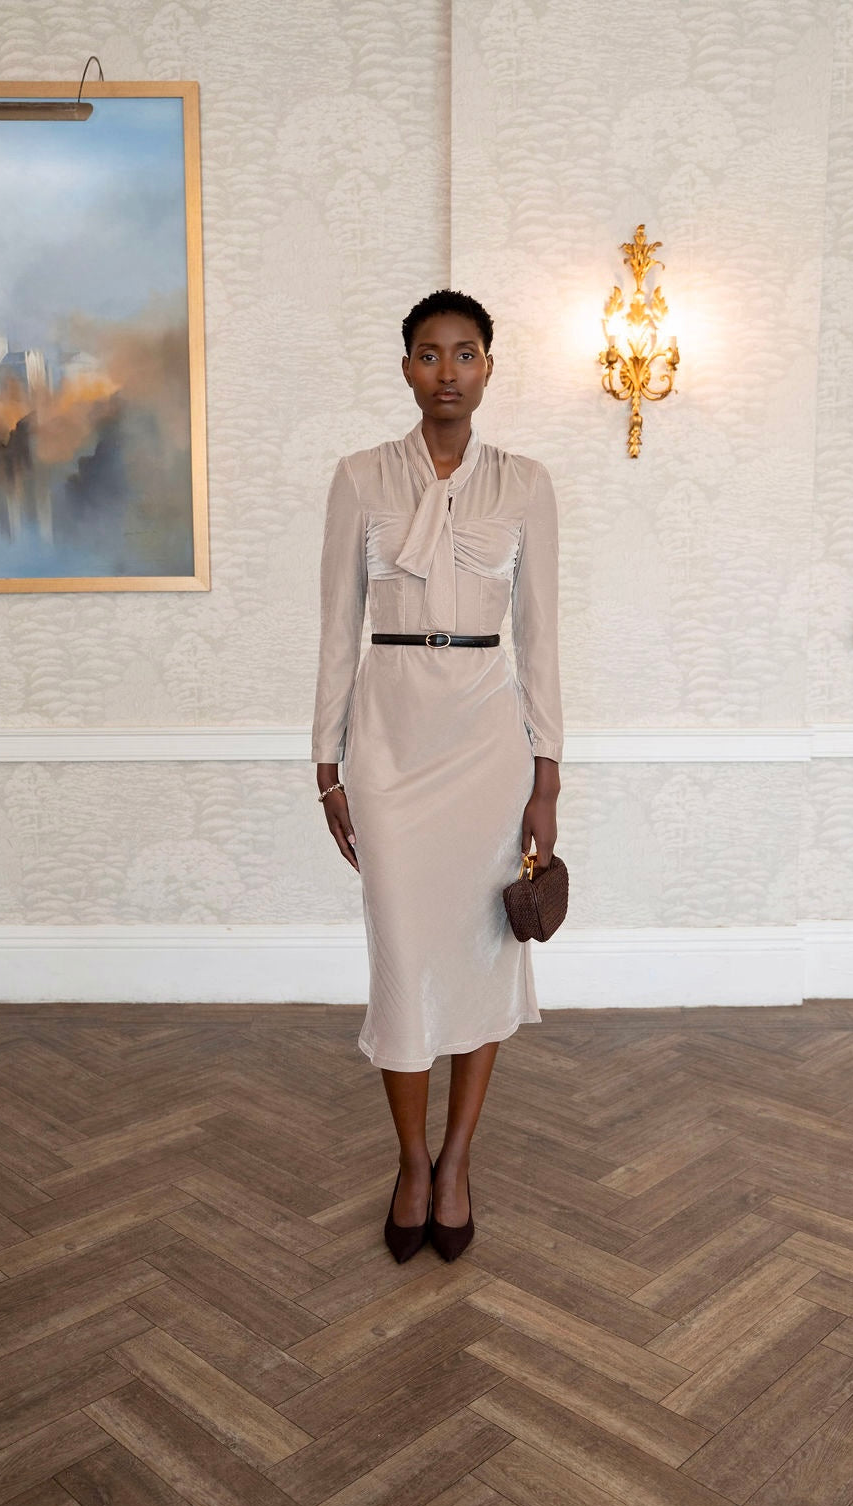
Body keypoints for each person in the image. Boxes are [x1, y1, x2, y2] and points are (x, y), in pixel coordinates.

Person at [311, 288, 563, 1263]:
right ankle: (407, 1158)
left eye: (465, 353)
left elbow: (540, 635)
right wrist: (324, 761)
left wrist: (546, 772)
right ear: (406, 367)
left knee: (479, 951)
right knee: (401, 956)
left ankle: (457, 1160)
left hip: (486, 739)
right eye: (428, 353)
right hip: (388, 730)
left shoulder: (525, 483)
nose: (447, 371)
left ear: (489, 367)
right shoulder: (360, 477)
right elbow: (336, 625)